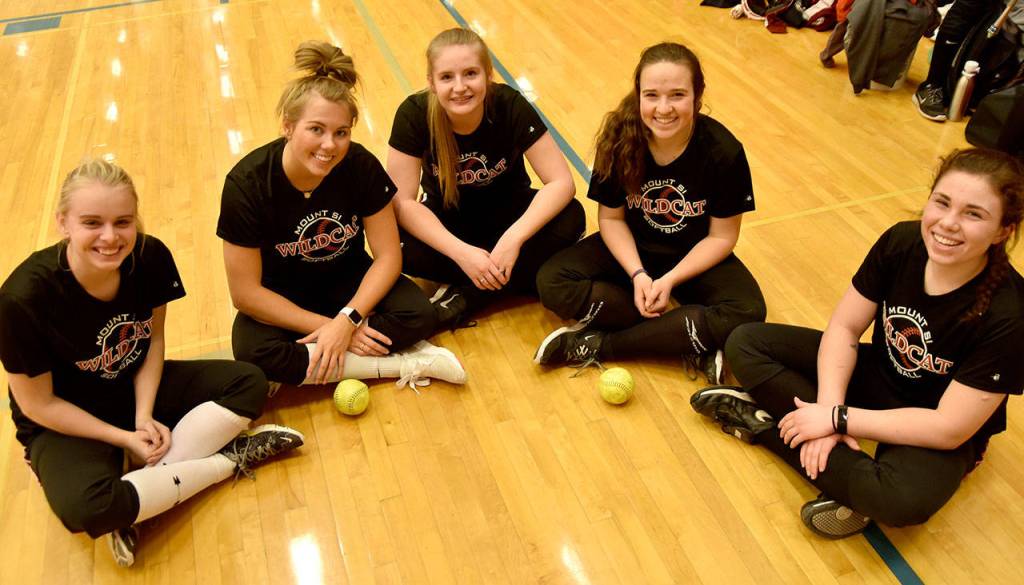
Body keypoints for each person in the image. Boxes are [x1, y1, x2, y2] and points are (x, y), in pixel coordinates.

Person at [691, 148, 1024, 538]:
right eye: (942, 202)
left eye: (974, 214)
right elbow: (845, 328)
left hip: (934, 420)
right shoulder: (901, 242)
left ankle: (768, 428)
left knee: (902, 502)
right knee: (747, 342)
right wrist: (831, 406)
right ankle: (842, 474)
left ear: (1003, 230)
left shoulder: (1011, 314)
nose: (948, 223)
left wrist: (836, 420)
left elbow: (948, 427)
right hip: (877, 378)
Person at [0, 159, 304, 568]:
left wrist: (143, 415)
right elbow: (39, 406)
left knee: (248, 382)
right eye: (92, 223)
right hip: (65, 417)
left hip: (131, 384)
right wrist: (122, 438)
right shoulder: (22, 299)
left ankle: (142, 497)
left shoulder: (150, 256)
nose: (110, 237)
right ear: (63, 223)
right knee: (88, 509)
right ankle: (227, 460)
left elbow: (152, 338)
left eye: (122, 222)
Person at [219, 41, 466, 391]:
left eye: (341, 133)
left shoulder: (360, 165)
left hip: (348, 284)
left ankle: (315, 365)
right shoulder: (247, 184)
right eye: (316, 129)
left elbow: (388, 256)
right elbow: (245, 294)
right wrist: (332, 328)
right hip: (285, 297)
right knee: (252, 354)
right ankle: (404, 364)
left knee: (419, 314)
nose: (329, 146)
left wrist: (348, 320)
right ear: (288, 126)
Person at [533, 42, 766, 382]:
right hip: (633, 248)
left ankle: (605, 345)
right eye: (652, 95)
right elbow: (611, 219)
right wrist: (639, 275)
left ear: (697, 97)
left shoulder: (723, 151)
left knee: (748, 312)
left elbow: (722, 236)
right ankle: (681, 332)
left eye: (677, 95)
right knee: (551, 281)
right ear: (639, 94)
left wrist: (670, 280)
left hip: (693, 255)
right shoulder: (618, 139)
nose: (663, 108)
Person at [387, 27, 585, 331]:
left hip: (510, 218)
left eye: (470, 73)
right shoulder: (413, 114)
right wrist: (460, 252)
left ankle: (468, 296)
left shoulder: (509, 104)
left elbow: (561, 183)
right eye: (447, 77)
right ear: (431, 82)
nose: (460, 87)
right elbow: (401, 203)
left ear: (487, 75)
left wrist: (514, 239)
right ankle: (517, 278)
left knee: (573, 216)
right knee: (394, 243)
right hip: (450, 225)